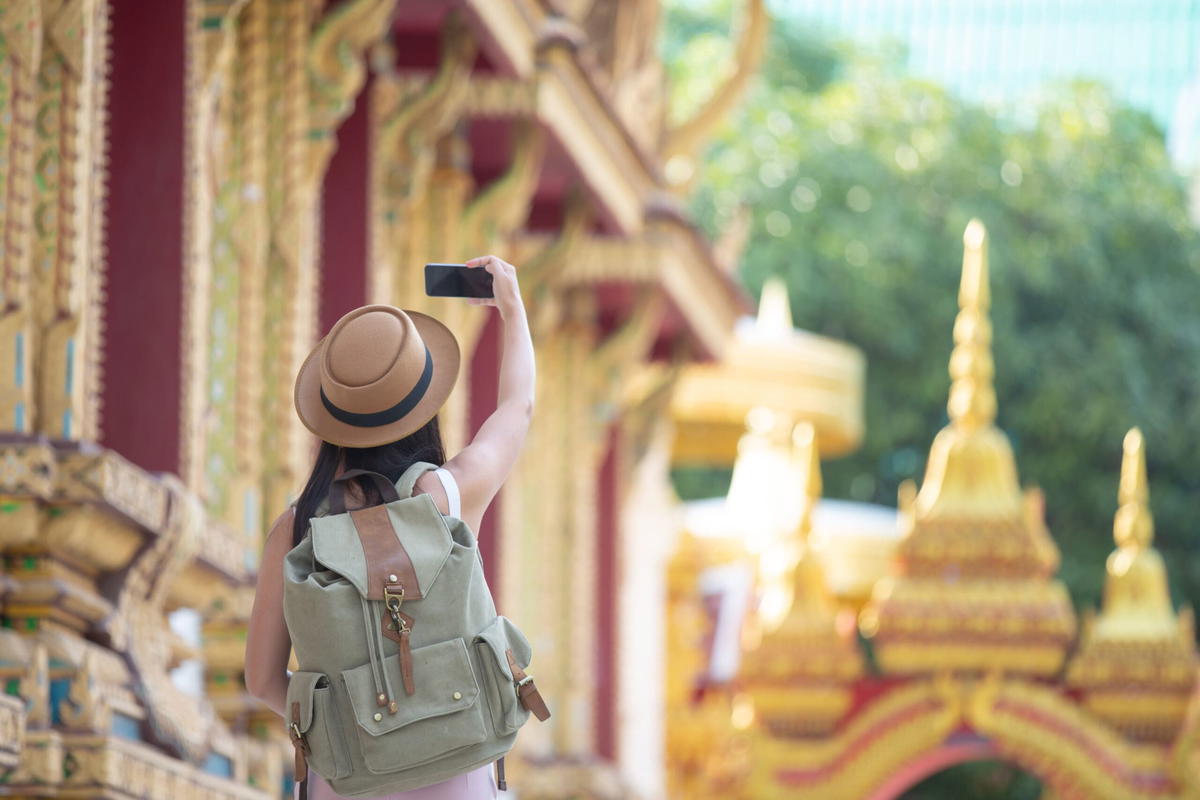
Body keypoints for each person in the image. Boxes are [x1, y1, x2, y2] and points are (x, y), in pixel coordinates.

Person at [244, 255, 534, 800]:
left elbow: (261, 681)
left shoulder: (296, 528)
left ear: (332, 420)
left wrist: (351, 727)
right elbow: (518, 408)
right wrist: (511, 309)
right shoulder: (446, 497)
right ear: (424, 404)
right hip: (460, 767)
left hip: (346, 780)